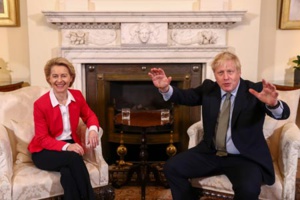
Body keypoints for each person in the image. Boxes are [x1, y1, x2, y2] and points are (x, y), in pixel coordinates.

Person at [148, 51, 290, 200]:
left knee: (248, 190)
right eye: (220, 72)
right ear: (215, 75)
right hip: (211, 153)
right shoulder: (209, 89)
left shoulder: (254, 90)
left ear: (239, 72)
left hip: (244, 157)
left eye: (230, 71)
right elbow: (186, 96)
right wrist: (165, 88)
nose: (226, 77)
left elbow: (283, 113)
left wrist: (274, 104)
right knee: (172, 167)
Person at [28, 57, 100, 200]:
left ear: (71, 78)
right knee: (74, 158)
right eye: (55, 76)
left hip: (68, 150)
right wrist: (68, 147)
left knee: (67, 173)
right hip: (43, 152)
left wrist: (92, 129)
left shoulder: (77, 96)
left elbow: (90, 115)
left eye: (63, 76)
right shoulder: (40, 105)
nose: (59, 80)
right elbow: (42, 139)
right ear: (49, 78)